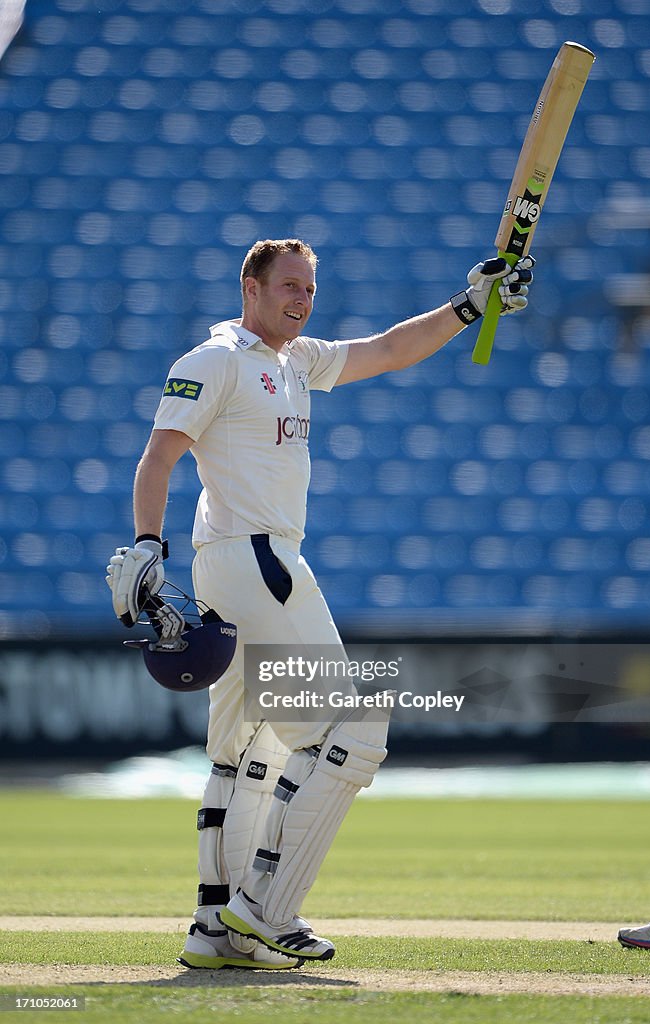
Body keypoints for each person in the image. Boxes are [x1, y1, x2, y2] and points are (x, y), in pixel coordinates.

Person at [107, 238, 534, 970]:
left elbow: (392, 348)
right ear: (250, 288)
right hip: (255, 559)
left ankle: (215, 927)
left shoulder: (297, 361)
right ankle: (266, 911)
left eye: (310, 288)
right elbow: (159, 455)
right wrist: (148, 543)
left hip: (250, 564)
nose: (302, 299)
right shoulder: (216, 360)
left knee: (251, 745)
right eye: (288, 287)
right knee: (354, 726)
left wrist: (469, 306)